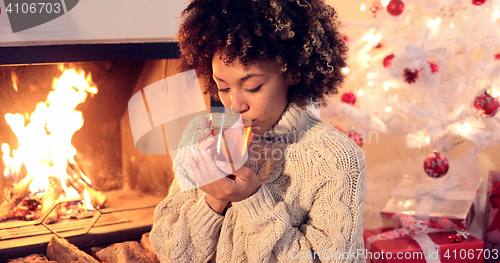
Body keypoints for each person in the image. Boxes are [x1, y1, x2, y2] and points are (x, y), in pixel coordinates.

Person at [150, 0, 367, 262]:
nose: (235, 105)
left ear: (294, 72)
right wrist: (214, 201)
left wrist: (252, 200)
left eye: (252, 87)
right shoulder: (201, 136)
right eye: (224, 88)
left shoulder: (336, 158)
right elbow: (169, 253)